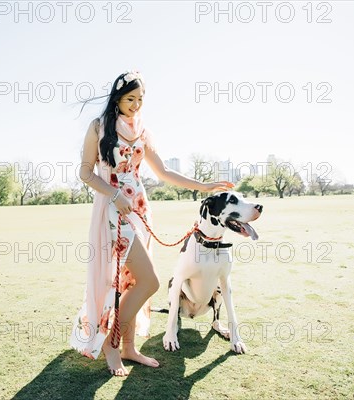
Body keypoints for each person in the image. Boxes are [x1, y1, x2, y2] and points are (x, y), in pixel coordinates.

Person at [69, 71, 234, 376]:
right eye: (130, 98)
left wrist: (204, 186)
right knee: (150, 281)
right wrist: (114, 193)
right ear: (117, 98)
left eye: (141, 99)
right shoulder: (98, 127)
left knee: (132, 282)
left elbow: (164, 173)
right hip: (112, 211)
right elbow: (85, 173)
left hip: (140, 210)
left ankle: (130, 348)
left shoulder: (143, 131)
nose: (136, 105)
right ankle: (111, 344)